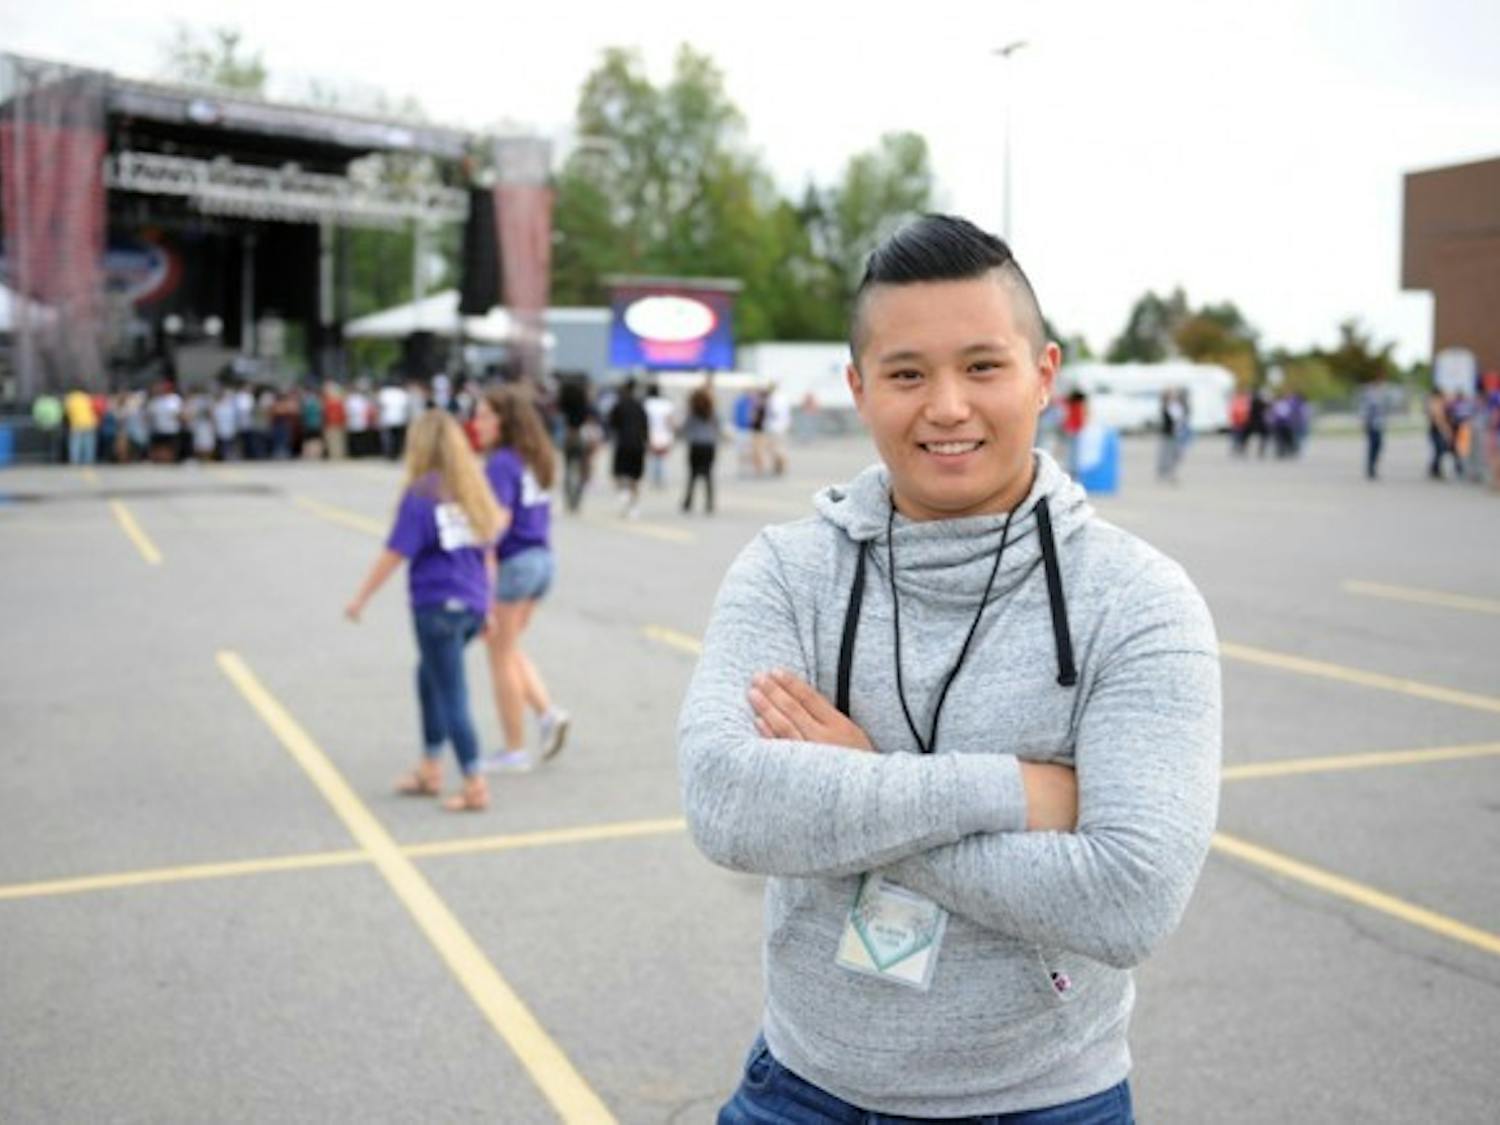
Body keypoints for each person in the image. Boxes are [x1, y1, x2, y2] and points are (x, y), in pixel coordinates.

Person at [680, 215, 1220, 1124]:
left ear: (1043, 374)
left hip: (1046, 1103)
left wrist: (857, 783)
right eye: (906, 374)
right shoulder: (788, 570)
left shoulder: (1138, 600)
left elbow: (1129, 899)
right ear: (858, 388)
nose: (947, 406)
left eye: (981, 366)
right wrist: (1016, 790)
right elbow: (726, 802)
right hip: (802, 1090)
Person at [344, 410, 504, 813]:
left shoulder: (422, 494)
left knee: (451, 692)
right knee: (429, 677)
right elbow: (488, 554)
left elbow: (395, 552)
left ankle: (474, 783)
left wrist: (361, 598)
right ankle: (431, 767)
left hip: (437, 607)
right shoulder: (470, 490)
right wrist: (487, 606)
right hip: (469, 606)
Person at [473, 385, 570, 772]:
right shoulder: (533, 458)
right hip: (541, 558)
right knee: (508, 647)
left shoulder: (500, 463)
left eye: (484, 415)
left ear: (504, 421)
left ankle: (514, 748)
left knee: (498, 655)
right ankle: (547, 714)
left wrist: (480, 572)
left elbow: (496, 524)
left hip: (515, 563)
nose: (477, 423)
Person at [608, 378, 648, 518]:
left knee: (620, 473)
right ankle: (633, 506)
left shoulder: (619, 405)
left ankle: (624, 493)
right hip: (638, 444)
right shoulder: (640, 406)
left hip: (623, 443)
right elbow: (645, 426)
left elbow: (612, 424)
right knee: (635, 477)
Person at [680, 383, 721, 515]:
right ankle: (709, 502)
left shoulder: (693, 413)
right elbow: (718, 428)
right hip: (709, 445)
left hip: (696, 445)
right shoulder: (711, 412)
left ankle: (688, 502)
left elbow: (685, 429)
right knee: (708, 475)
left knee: (692, 475)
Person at [1359, 373, 1394, 480]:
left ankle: (1373, 467)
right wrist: (1364, 422)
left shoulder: (1383, 393)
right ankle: (1371, 468)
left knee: (1379, 446)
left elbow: (1386, 409)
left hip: (1380, 424)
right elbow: (1364, 409)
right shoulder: (1369, 393)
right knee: (1372, 446)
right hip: (1371, 424)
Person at [643, 381, 676, 488]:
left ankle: (653, 480)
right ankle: (661, 480)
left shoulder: (646, 404)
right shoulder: (666, 404)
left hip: (651, 433)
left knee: (652, 458)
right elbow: (670, 421)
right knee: (662, 458)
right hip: (664, 434)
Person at [63, 387, 99, 465]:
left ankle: (75, 461)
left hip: (76, 423)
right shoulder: (87, 397)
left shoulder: (70, 398)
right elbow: (94, 409)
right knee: (88, 444)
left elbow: (66, 412)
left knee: (76, 444)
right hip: (90, 423)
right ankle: (88, 462)